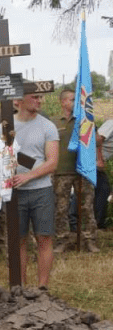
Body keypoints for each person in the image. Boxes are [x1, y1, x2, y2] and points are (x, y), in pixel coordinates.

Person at [5, 92, 59, 288]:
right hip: (14, 193)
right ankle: (20, 287)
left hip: (41, 190)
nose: (39, 101)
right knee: (18, 239)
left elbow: (52, 162)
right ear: (18, 100)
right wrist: (2, 176)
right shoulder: (5, 126)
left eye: (40, 97)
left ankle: (42, 288)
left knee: (43, 237)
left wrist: (28, 176)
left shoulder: (47, 126)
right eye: (34, 97)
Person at [51, 89, 98, 253]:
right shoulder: (54, 122)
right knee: (61, 208)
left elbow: (94, 142)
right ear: (63, 102)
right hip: (61, 172)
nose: (76, 103)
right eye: (72, 99)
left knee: (87, 207)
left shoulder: (85, 121)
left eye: (77, 100)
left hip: (83, 170)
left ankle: (89, 239)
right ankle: (62, 239)